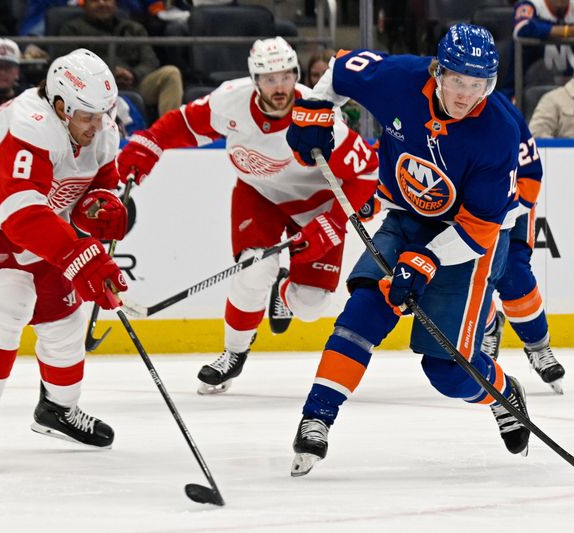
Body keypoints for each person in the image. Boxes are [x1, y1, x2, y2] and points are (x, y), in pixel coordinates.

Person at [285, 24, 531, 477]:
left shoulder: (498, 130)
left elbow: (478, 228)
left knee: (448, 373)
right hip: (405, 217)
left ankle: (503, 392)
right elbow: (340, 70)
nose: (466, 95)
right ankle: (317, 417)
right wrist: (314, 110)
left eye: (478, 85)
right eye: (458, 80)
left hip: (468, 243)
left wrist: (425, 260)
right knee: (363, 311)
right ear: (438, 71)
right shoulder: (398, 78)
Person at [115, 36, 379, 395]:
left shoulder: (319, 116)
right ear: (255, 81)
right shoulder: (231, 101)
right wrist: (148, 145)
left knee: (311, 305)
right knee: (255, 269)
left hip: (316, 205)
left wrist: (332, 224)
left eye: (286, 77)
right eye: (270, 79)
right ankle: (232, 353)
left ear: (296, 75)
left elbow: (366, 173)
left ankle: (283, 295)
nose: (279, 87)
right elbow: (184, 123)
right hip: (260, 194)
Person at [0, 48, 129, 473]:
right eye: (88, 115)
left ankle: (58, 410)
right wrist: (84, 259)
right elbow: (20, 215)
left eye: (103, 113)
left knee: (66, 315)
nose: (98, 125)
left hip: (37, 223)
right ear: (59, 105)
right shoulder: (28, 125)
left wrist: (102, 208)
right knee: (9, 297)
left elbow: (99, 189)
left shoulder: (101, 127)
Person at [482, 90, 566, 395]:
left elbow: (529, 169)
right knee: (461, 275)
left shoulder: (501, 109)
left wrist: (513, 212)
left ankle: (537, 345)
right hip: (457, 206)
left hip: (510, 201)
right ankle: (488, 325)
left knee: (513, 270)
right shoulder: (427, 108)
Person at [58, 0, 184, 118]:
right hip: (91, 88)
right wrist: (109, 73)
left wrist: (133, 74)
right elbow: (67, 66)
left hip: (133, 83)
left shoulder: (134, 28)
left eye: (107, 0)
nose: (102, 3)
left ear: (115, 3)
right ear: (84, 5)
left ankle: (169, 133)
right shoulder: (72, 29)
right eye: (95, 0)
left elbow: (150, 61)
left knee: (171, 73)